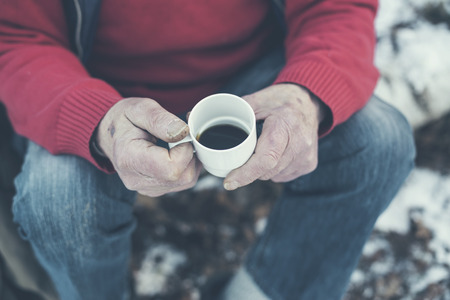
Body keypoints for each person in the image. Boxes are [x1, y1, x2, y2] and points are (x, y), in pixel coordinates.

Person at [0, 1, 415, 299]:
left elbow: (337, 6)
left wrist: (307, 92)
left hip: (255, 76)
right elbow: (17, 39)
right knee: (56, 200)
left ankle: (267, 291)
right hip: (101, 91)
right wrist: (97, 121)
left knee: (378, 142)